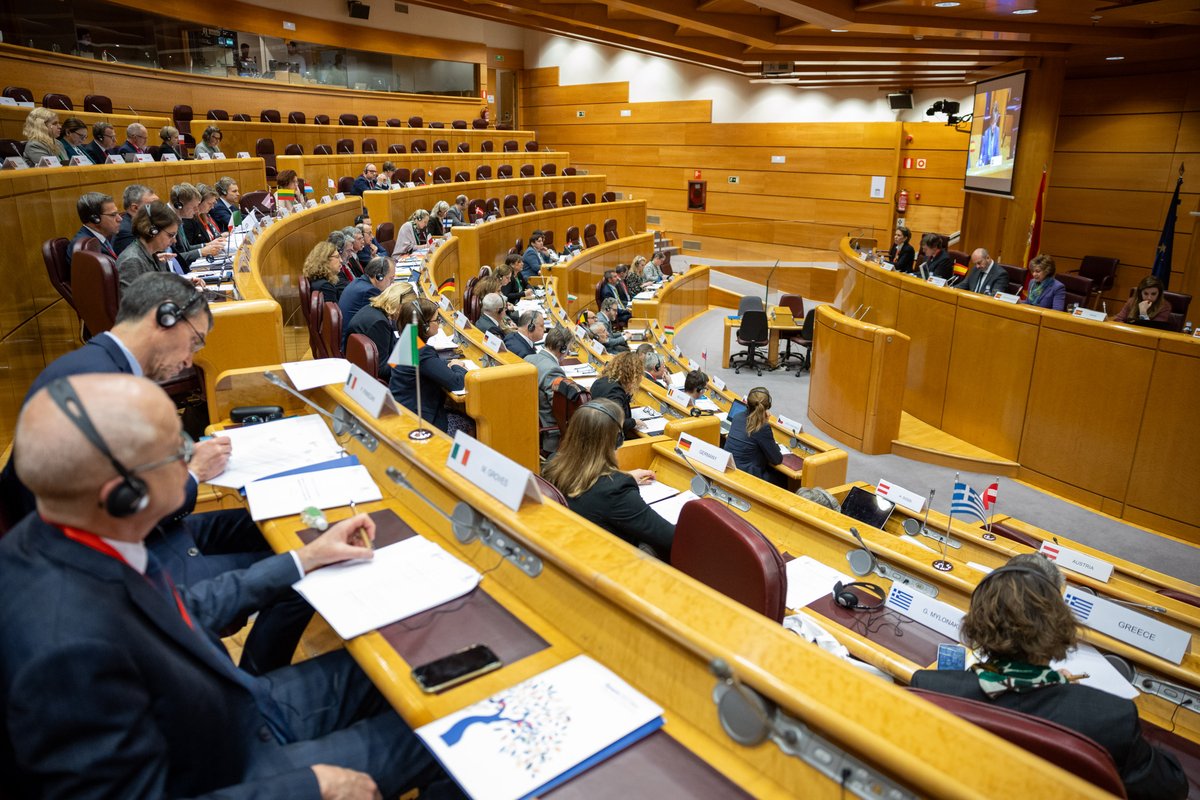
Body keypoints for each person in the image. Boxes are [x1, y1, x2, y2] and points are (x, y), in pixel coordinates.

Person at [0, 373, 448, 799]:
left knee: (414, 660)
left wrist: (304, 559)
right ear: (125, 493)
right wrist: (313, 789)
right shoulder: (63, 650)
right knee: (448, 740)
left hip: (231, 710)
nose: (194, 455)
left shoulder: (66, 536)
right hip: (229, 772)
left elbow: (186, 608)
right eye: (178, 450)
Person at [0, 273, 314, 676]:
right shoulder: (96, 385)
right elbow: (121, 505)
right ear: (165, 318)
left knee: (272, 524)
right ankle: (258, 686)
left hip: (144, 532)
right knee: (299, 570)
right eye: (196, 341)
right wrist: (194, 474)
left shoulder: (102, 364)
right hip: (127, 557)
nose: (191, 359)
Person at [911, 554, 1187, 800]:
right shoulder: (1112, 719)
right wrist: (1064, 691)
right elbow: (1172, 788)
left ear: (975, 623)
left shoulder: (930, 688)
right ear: (1059, 628)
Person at [543, 398, 674, 558]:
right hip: (612, 566)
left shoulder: (553, 464)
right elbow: (670, 537)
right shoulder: (615, 490)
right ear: (616, 439)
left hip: (574, 551)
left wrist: (625, 476)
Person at [388, 298, 468, 432]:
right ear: (424, 325)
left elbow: (429, 367)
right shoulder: (422, 352)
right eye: (436, 320)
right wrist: (456, 365)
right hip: (421, 422)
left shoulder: (406, 340)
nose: (439, 323)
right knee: (470, 424)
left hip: (404, 411)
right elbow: (457, 382)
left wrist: (444, 366)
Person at [344, 282, 415, 381]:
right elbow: (382, 370)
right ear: (400, 307)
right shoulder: (379, 323)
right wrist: (409, 355)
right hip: (373, 382)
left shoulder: (372, 308)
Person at [116, 201, 195, 289]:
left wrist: (185, 285)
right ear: (152, 230)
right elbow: (135, 301)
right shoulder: (132, 261)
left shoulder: (152, 254)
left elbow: (158, 288)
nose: (174, 241)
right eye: (170, 235)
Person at [724, 387, 785, 487]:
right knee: (782, 479)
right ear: (767, 406)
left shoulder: (737, 417)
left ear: (747, 403)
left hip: (730, 468)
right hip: (748, 477)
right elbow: (777, 459)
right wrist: (764, 422)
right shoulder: (762, 427)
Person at [526, 325, 572, 453]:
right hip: (551, 434)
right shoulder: (553, 369)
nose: (568, 353)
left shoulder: (528, 358)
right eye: (568, 349)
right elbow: (560, 409)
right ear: (562, 349)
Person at [171, 183, 229, 267]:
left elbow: (187, 248)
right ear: (179, 206)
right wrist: (201, 251)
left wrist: (206, 245)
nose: (196, 210)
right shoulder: (174, 220)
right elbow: (174, 257)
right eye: (194, 206)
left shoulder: (179, 218)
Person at [590, 351, 642, 439]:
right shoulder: (616, 391)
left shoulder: (600, 381)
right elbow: (614, 422)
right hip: (607, 442)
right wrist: (634, 422)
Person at [339, 255, 395, 331]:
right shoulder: (369, 291)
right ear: (379, 277)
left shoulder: (359, 281)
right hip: (353, 339)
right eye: (391, 279)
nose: (392, 282)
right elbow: (383, 320)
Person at [67, 191, 121, 268]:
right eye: (113, 215)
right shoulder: (86, 247)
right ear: (95, 219)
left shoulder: (101, 238)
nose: (120, 219)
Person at [113, 184, 159, 255]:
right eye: (153, 205)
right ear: (135, 208)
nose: (159, 208)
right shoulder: (125, 232)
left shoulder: (149, 222)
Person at [978, 101, 1001, 167]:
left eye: (995, 123)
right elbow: (983, 148)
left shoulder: (997, 130)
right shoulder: (986, 132)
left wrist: (997, 157)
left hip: (993, 158)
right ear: (990, 121)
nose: (994, 126)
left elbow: (997, 145)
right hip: (986, 158)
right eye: (992, 123)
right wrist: (981, 159)